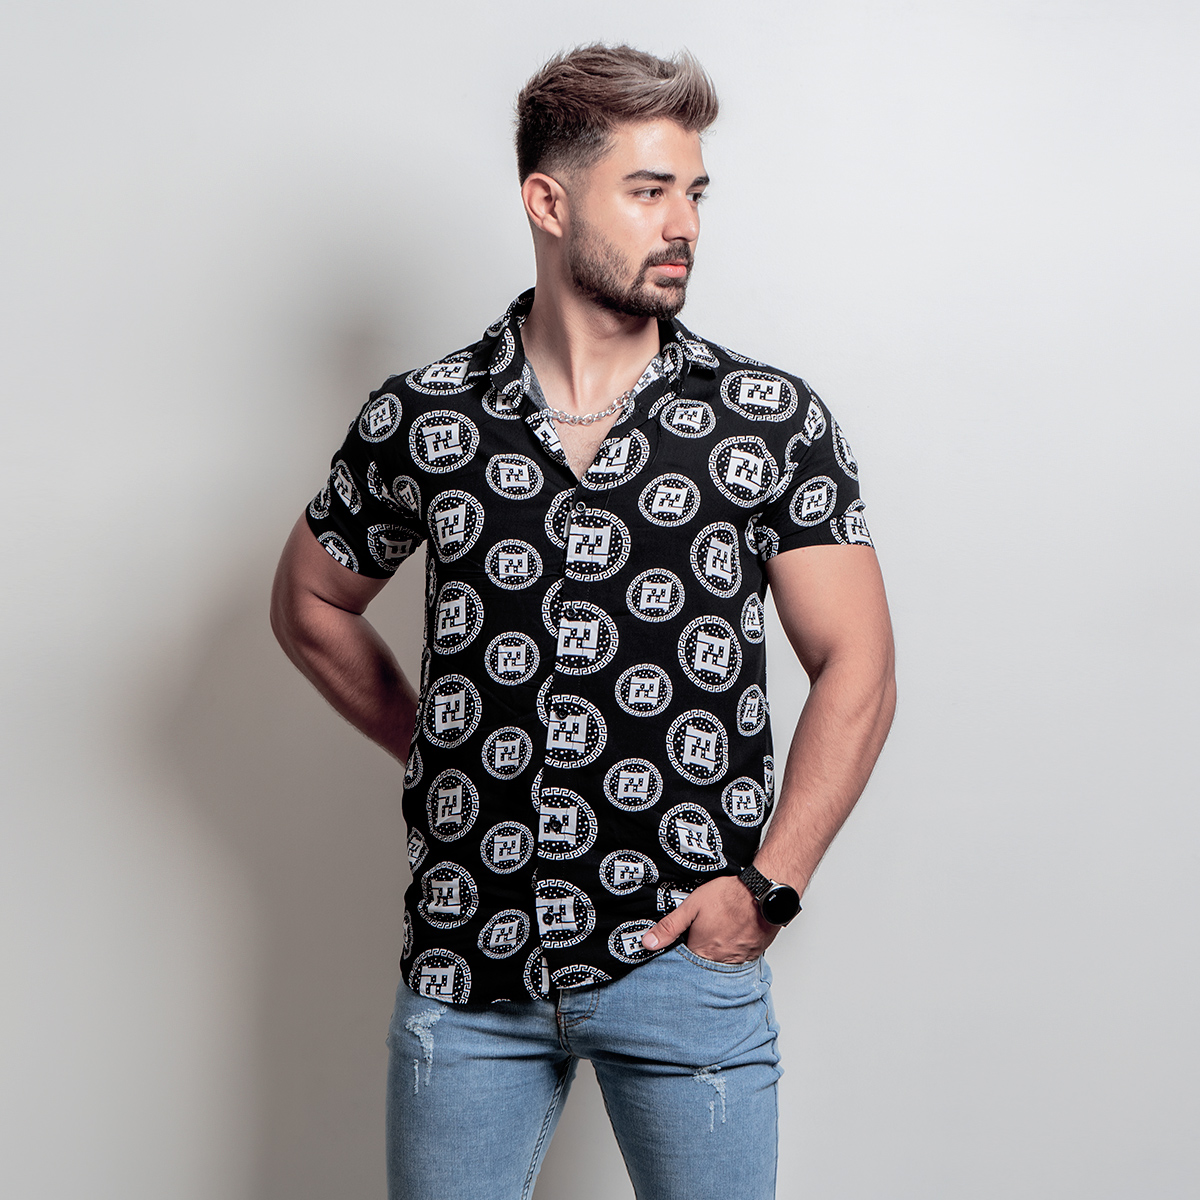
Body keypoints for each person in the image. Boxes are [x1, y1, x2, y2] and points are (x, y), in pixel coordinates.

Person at [271, 43, 895, 1200]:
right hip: (466, 963)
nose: (684, 224)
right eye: (649, 191)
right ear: (548, 203)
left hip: (685, 961)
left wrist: (768, 889)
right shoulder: (425, 417)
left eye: (694, 191)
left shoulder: (767, 420)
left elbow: (857, 663)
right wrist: (442, 747)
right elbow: (312, 602)